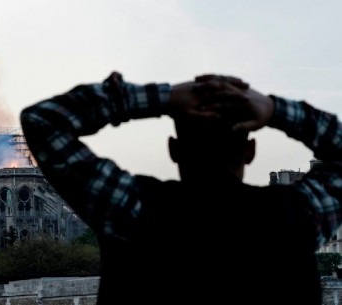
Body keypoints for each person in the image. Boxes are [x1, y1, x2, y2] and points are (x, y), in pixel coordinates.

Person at [20, 72, 342, 305]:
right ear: (250, 151)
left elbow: (43, 121)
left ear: (173, 149)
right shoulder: (297, 215)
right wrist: (274, 110)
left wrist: (163, 98)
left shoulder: (132, 208)